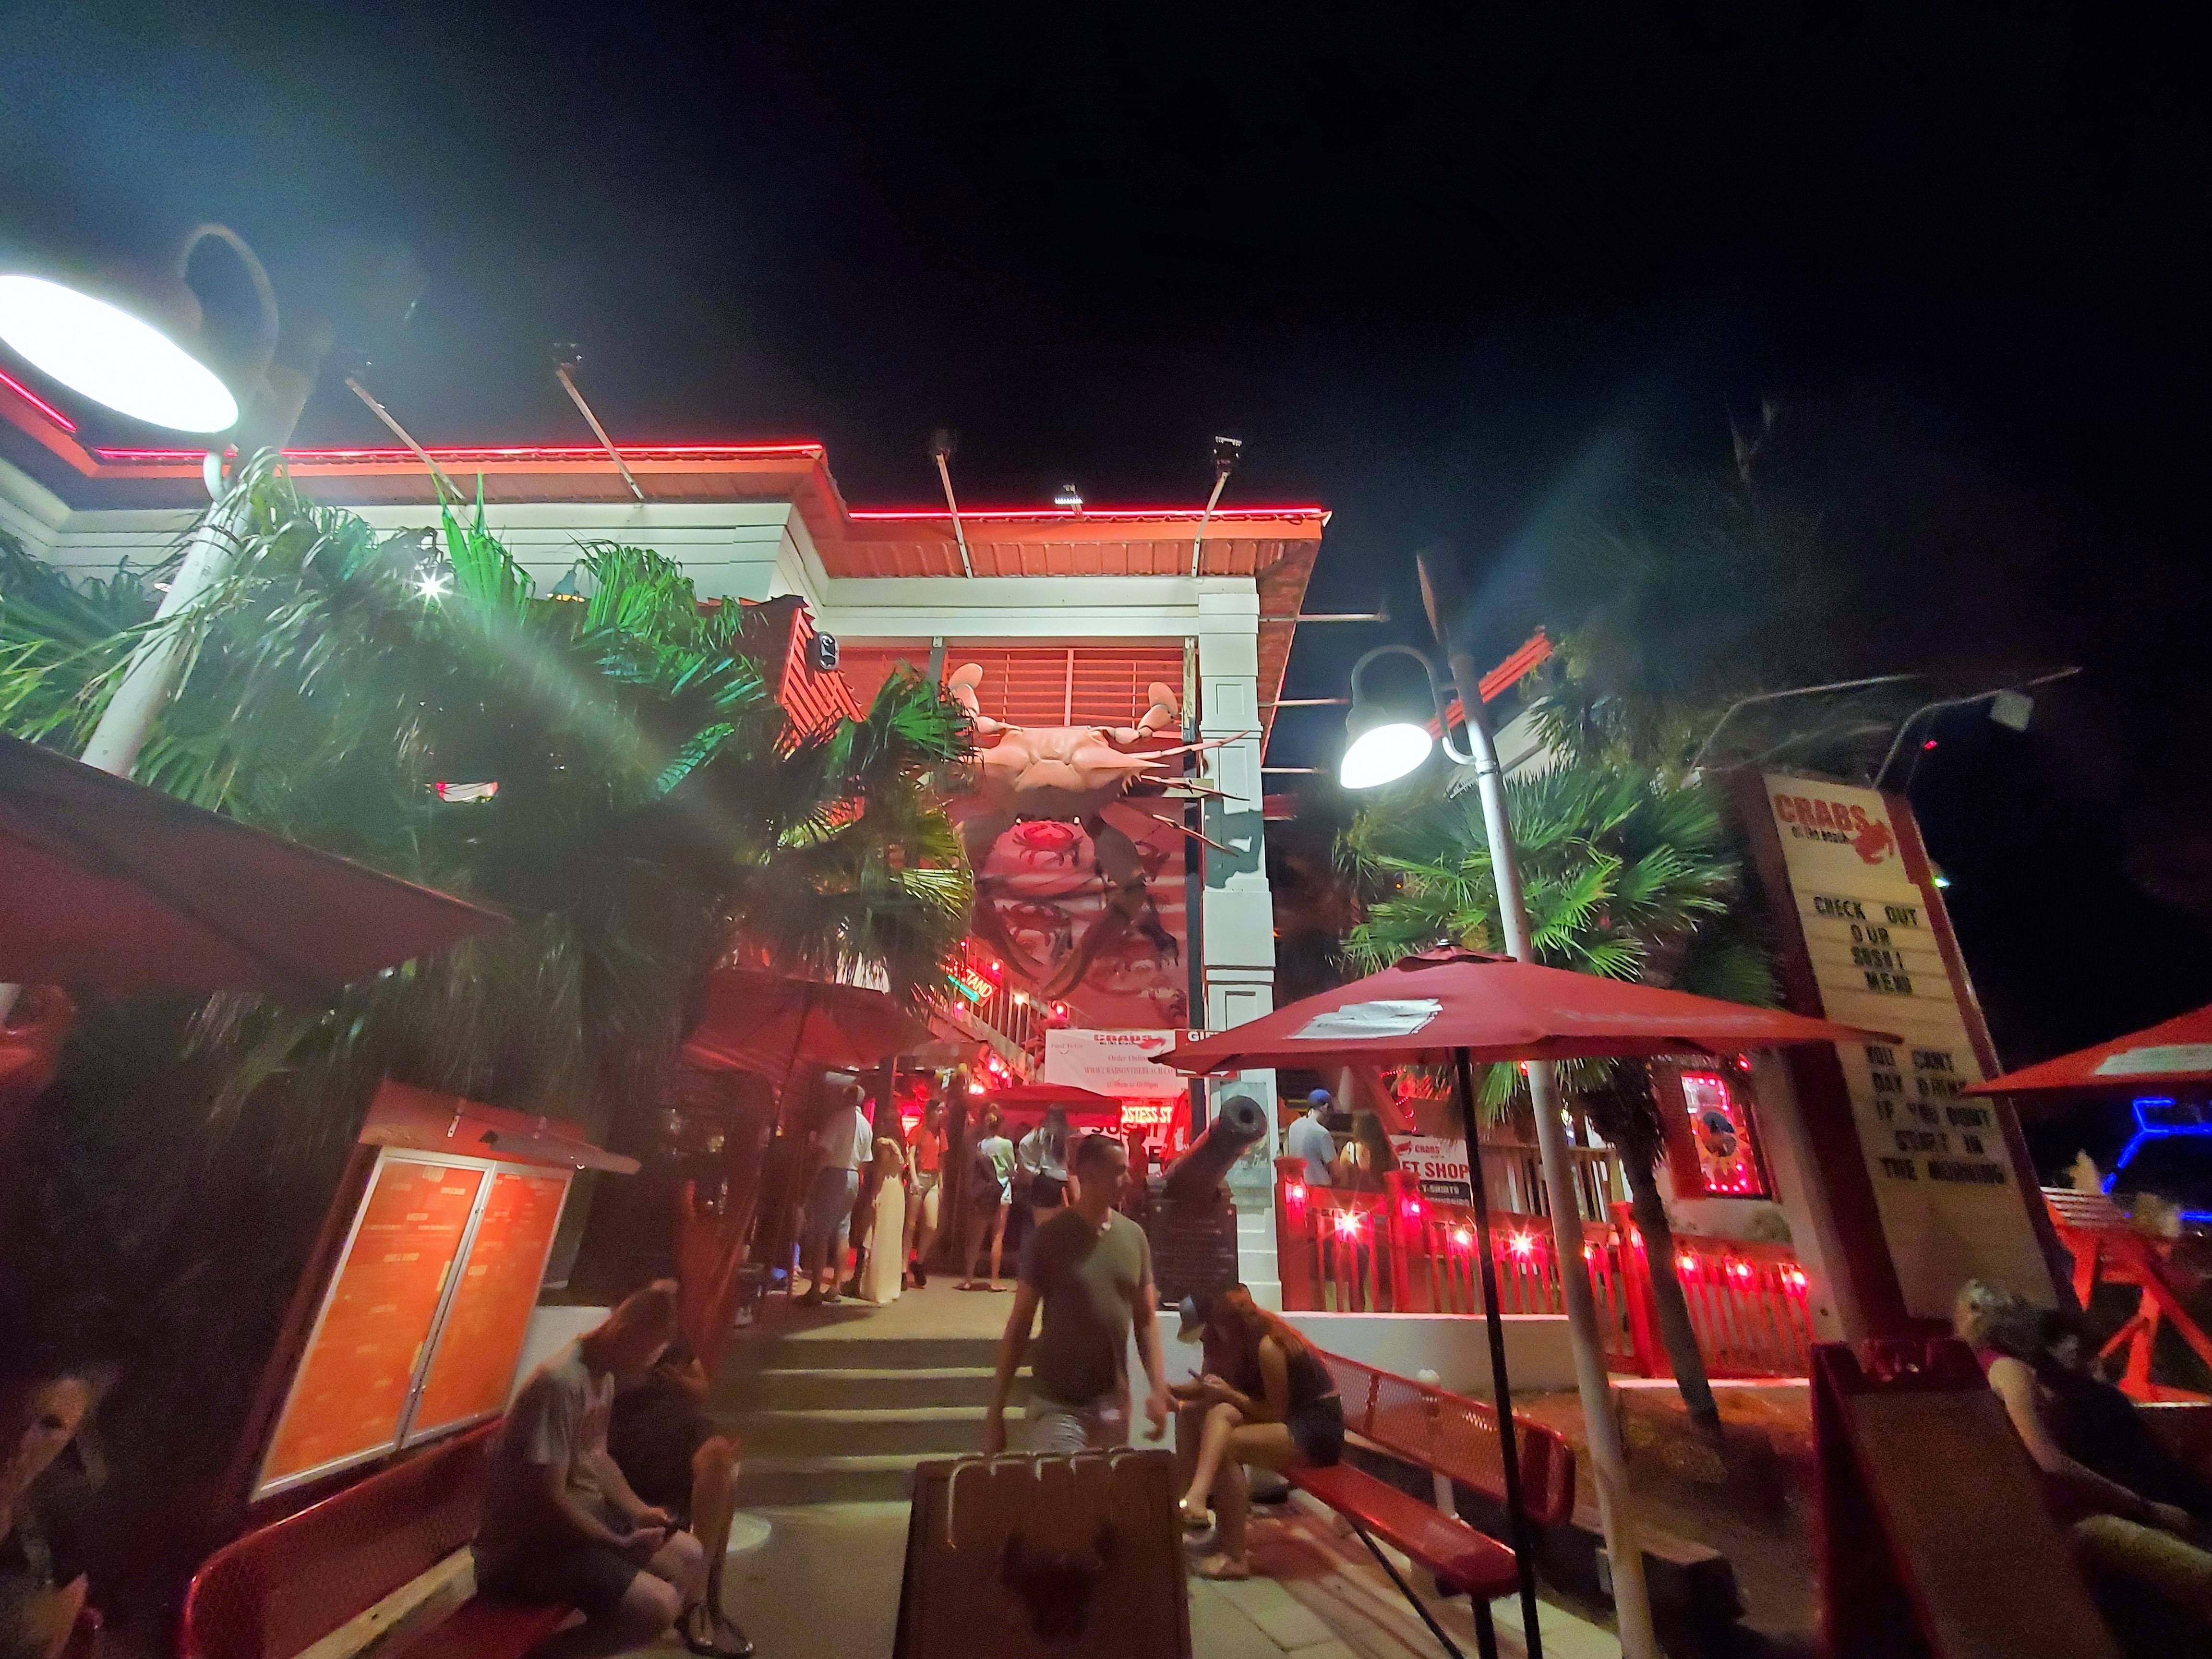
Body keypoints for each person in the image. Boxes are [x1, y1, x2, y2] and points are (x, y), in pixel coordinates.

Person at [474, 1283, 709, 1659]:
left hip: (573, 1532)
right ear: (623, 1334)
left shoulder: (605, 1374)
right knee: (658, 1608)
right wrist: (614, 1542)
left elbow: (597, 1457)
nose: (650, 1365)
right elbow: (547, 1497)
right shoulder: (561, 1383)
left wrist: (638, 1511)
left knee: (690, 1554)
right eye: (648, 1352)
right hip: (527, 1550)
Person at [1980, 1303, 2212, 1624]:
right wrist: (2150, 1507)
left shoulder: (2065, 1393)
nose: (2077, 1347)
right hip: (2153, 1499)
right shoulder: (2062, 1395)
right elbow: (2061, 1460)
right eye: (2066, 1339)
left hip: (2157, 1496)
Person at [983, 1132, 1171, 1455]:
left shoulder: (1134, 1237)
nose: (1127, 1179)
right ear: (1089, 1175)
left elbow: (1145, 1320)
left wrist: (1157, 1387)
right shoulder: (1049, 1239)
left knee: (1103, 1501)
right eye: (1119, 1171)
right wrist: (996, 1409)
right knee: (1066, 1494)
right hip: (1058, 1403)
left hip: (1111, 1403)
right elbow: (1020, 1325)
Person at [604, 1286, 751, 1658]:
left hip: (682, 1421)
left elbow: (701, 1390)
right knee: (724, 1478)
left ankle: (700, 1600)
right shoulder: (619, 1344)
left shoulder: (676, 1342)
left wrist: (677, 1380)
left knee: (719, 1458)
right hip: (637, 1430)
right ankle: (707, 1603)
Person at [1174, 1284, 1345, 1581]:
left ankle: (1235, 1557)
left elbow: (1276, 1413)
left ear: (1230, 1327)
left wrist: (1229, 1393)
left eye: (1213, 1329)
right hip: (1288, 1419)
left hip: (1316, 1428)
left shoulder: (1268, 1347)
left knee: (1227, 1443)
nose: (1206, 1336)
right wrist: (1168, 1392)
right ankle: (1199, 1507)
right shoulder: (1227, 1344)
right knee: (1201, 1413)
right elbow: (1211, 1387)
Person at [1, 1353, 107, 1659]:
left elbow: (49, 1646)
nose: (21, 1442)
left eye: (50, 1425)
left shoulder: (63, 1513)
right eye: (11, 1412)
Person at [800, 1082, 874, 1306]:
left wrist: (813, 1175)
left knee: (823, 1230)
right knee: (843, 1229)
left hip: (834, 1173)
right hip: (853, 1176)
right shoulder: (865, 1125)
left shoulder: (838, 1119)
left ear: (846, 1098)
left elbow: (825, 1150)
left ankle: (814, 1289)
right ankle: (836, 1286)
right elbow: (865, 1161)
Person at [960, 1106, 1016, 1291]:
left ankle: (968, 1278)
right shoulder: (1006, 1144)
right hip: (1002, 1192)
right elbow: (1010, 1168)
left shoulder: (981, 1145)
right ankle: (994, 1280)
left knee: (977, 1236)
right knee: (997, 1236)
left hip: (984, 1193)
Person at [903, 1096, 948, 1287]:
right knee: (911, 1225)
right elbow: (911, 1156)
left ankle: (919, 1261)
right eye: (939, 1110)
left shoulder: (941, 1133)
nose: (942, 1114)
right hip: (919, 1176)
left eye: (942, 1110)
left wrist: (941, 1183)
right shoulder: (919, 1131)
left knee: (931, 1225)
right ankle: (903, 1267)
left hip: (933, 1178)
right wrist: (913, 1179)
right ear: (930, 1112)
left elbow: (942, 1160)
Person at [1018, 1105, 1073, 1227]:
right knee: (1064, 1229)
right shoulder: (1071, 1133)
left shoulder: (1040, 1132)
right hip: (1066, 1183)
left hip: (1045, 1182)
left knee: (1043, 1229)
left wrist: (1033, 1170)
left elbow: (1024, 1145)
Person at [1331, 1109, 1397, 1194]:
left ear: (1360, 1128)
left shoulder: (1350, 1150)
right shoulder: (1388, 1151)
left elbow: (1343, 1181)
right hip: (1381, 1200)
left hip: (1357, 1199)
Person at [1283, 1090, 1336, 1187]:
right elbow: (1336, 1170)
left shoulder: (1293, 1127)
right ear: (1325, 1107)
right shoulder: (1323, 1133)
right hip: (1320, 1188)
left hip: (1296, 1185)